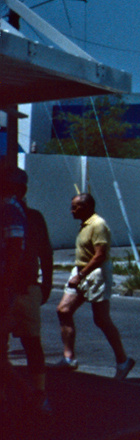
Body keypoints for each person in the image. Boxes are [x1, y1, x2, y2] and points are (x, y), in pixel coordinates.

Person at [56, 193, 135, 378]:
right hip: (81, 270)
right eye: (72, 206)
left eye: (76, 207)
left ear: (87, 207)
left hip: (95, 273)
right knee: (63, 310)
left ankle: (123, 361)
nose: (72, 210)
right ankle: (69, 358)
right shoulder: (84, 225)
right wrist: (78, 274)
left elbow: (100, 255)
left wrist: (81, 275)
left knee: (101, 319)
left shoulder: (98, 225)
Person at [2, 168, 54, 414]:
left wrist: (46, 284)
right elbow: (45, 253)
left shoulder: (23, 215)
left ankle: (36, 393)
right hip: (24, 287)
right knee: (22, 344)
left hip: (19, 288)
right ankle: (33, 394)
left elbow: (44, 253)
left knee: (27, 343)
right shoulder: (28, 216)